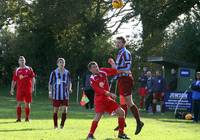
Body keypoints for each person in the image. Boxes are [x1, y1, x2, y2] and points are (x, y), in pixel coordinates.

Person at [108, 36, 144, 135]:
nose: (117, 44)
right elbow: (117, 68)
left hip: (126, 79)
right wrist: (113, 67)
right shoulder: (119, 53)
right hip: (121, 79)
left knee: (129, 102)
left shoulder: (126, 53)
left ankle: (139, 122)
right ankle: (122, 123)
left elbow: (127, 67)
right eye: (116, 42)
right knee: (123, 101)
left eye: (119, 42)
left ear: (124, 43)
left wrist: (116, 68)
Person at [87, 61, 130, 139]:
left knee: (121, 112)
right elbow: (99, 90)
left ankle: (121, 133)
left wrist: (115, 65)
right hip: (100, 100)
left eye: (96, 66)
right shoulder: (92, 79)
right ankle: (90, 134)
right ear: (90, 70)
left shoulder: (103, 71)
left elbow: (114, 71)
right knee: (98, 116)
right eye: (93, 67)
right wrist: (110, 94)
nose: (96, 68)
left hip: (108, 99)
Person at [9, 56, 36, 122]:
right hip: (20, 89)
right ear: (18, 62)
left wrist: (32, 87)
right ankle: (18, 118)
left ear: (25, 61)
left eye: (23, 60)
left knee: (27, 103)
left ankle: (27, 118)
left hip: (28, 89)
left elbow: (33, 78)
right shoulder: (17, 70)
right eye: (20, 60)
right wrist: (12, 89)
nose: (22, 61)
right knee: (18, 103)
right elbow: (14, 80)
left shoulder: (29, 69)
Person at [48, 58, 72, 129]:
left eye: (63, 62)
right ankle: (55, 126)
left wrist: (70, 88)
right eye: (60, 62)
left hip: (65, 94)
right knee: (56, 110)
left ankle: (62, 126)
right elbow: (50, 83)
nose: (62, 64)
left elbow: (69, 82)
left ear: (64, 64)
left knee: (64, 110)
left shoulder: (67, 72)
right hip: (56, 95)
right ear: (57, 64)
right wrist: (50, 92)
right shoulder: (53, 72)